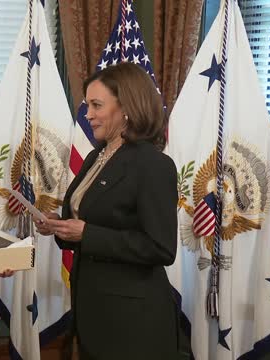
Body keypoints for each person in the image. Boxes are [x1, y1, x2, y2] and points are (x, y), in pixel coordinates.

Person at [35, 62, 179, 360]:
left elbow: (161, 248)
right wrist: (60, 226)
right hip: (92, 309)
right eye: (87, 105)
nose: (87, 115)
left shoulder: (153, 165)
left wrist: (87, 233)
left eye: (96, 105)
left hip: (132, 319)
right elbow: (91, 222)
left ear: (126, 107)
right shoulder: (96, 156)